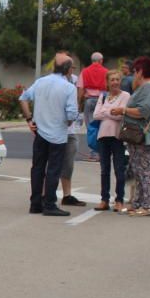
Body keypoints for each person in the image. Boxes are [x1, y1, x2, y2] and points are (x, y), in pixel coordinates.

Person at [19, 52, 79, 217]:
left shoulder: (40, 82)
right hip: (58, 135)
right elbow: (72, 114)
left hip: (40, 133)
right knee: (53, 169)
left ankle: (35, 203)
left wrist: (29, 119)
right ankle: (50, 204)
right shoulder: (69, 87)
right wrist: (66, 122)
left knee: (37, 168)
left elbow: (23, 98)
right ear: (68, 70)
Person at [112, 56, 150, 217]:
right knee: (138, 169)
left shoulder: (148, 87)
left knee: (144, 171)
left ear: (140, 71)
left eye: (135, 71)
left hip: (142, 136)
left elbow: (143, 111)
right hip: (140, 136)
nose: (134, 75)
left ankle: (146, 205)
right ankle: (138, 203)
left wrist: (123, 111)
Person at [92, 69, 131, 212]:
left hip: (118, 137)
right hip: (103, 136)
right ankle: (104, 199)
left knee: (119, 169)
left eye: (117, 79)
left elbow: (121, 116)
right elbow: (96, 115)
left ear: (120, 81)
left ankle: (119, 200)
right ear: (107, 82)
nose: (115, 82)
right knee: (104, 170)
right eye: (112, 80)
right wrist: (111, 112)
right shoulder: (103, 97)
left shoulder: (125, 95)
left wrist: (106, 112)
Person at [60, 62, 86, 207]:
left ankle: (67, 195)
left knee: (68, 164)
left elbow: (80, 96)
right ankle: (45, 195)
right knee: (52, 163)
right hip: (56, 130)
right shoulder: (54, 82)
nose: (71, 69)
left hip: (71, 130)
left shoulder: (75, 80)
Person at [78, 52, 108, 161]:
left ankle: (94, 153)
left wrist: (78, 103)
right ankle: (102, 152)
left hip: (89, 100)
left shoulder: (85, 71)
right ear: (101, 60)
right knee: (101, 126)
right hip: (103, 100)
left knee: (91, 127)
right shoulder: (106, 72)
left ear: (92, 60)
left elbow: (81, 88)